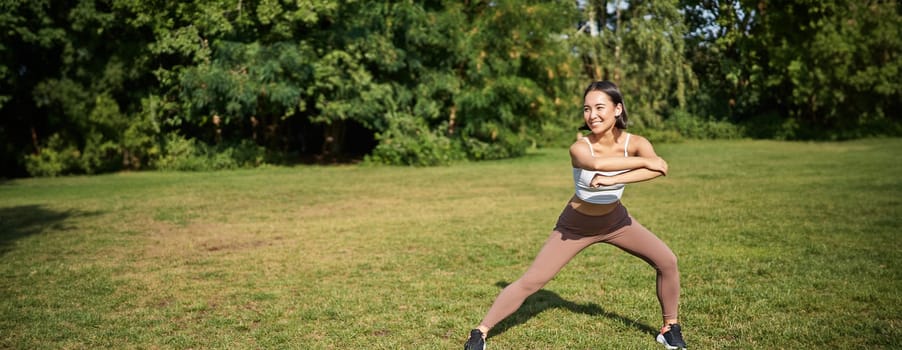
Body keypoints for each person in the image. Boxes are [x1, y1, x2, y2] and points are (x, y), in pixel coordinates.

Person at [463, 81, 687, 350]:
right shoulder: (580, 147)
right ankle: (480, 331)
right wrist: (641, 163)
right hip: (575, 227)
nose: (592, 115)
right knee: (532, 281)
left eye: (599, 107)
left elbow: (658, 168)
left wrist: (617, 177)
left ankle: (670, 327)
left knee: (667, 261)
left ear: (618, 109)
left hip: (617, 221)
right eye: (586, 109)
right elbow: (598, 164)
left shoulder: (637, 143)